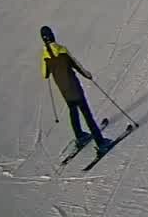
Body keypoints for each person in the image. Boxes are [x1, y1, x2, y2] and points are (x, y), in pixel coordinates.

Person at [40, 26, 108, 155]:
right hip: (74, 87)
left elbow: (45, 74)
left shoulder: (45, 56)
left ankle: (80, 136)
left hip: (64, 91)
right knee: (87, 114)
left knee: (73, 111)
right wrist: (88, 75)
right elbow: (76, 65)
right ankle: (101, 143)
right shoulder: (62, 50)